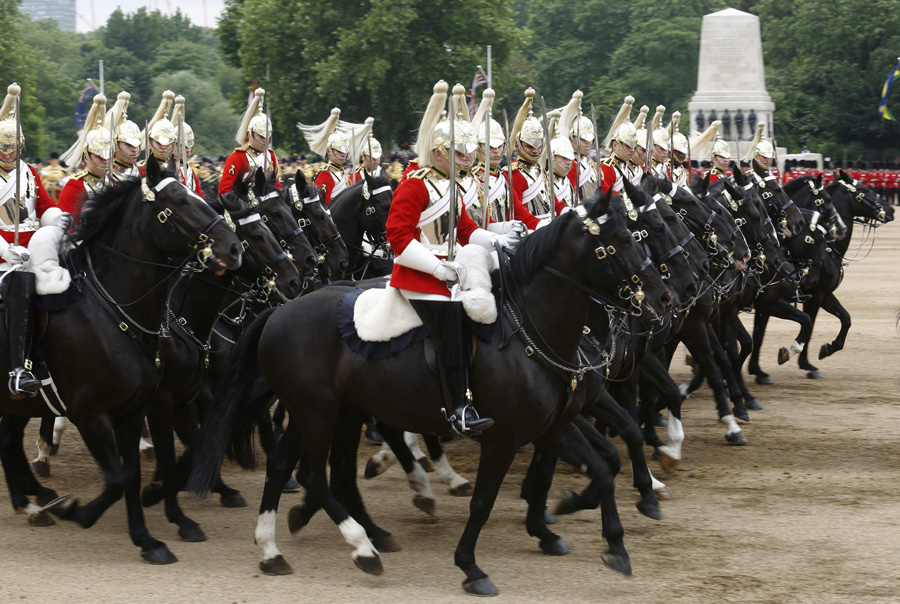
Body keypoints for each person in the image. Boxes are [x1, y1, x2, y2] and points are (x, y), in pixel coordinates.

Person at [386, 80, 520, 436]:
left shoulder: (452, 186)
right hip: (419, 274)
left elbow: (465, 231)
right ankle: (458, 408)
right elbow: (398, 237)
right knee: (451, 326)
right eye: (461, 154)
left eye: (470, 153)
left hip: (452, 270)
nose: (470, 159)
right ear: (440, 152)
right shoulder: (415, 184)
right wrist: (437, 267)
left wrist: (499, 241)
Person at [0, 83, 71, 397]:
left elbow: (43, 206)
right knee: (22, 284)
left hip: (33, 252)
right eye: (2, 148)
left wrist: (58, 219)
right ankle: (19, 369)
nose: (7, 153)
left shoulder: (29, 173)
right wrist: (4, 250)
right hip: (4, 259)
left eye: (12, 148)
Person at [219, 88, 281, 196]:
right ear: (249, 134)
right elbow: (225, 192)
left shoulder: (270, 156)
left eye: (267, 136)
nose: (265, 140)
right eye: (261, 136)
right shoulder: (237, 158)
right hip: (246, 209)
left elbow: (277, 186)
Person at [58, 94, 112, 216]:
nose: (105, 161)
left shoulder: (113, 183)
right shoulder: (74, 186)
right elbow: (68, 227)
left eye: (108, 156)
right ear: (86, 158)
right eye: (99, 156)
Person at [299, 108, 350, 205]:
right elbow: (322, 206)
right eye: (339, 150)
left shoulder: (345, 174)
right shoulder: (325, 174)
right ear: (329, 151)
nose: (343, 154)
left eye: (345, 150)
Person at [558, 90, 597, 202]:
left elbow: (602, 187)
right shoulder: (569, 164)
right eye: (583, 139)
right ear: (572, 139)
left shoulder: (592, 163)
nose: (588, 143)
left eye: (590, 140)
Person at [599, 95, 637, 195]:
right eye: (628, 146)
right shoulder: (607, 167)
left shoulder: (625, 166)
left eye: (633, 146)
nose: (632, 150)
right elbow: (606, 195)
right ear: (615, 145)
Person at [170, 95, 204, 198]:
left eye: (189, 145)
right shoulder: (167, 167)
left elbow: (199, 195)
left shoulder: (189, 169)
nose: (188, 150)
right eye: (184, 146)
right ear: (173, 145)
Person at [137, 90, 177, 176]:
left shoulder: (178, 171)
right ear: (150, 143)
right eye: (158, 142)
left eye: (168, 143)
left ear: (173, 145)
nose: (163, 146)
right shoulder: (138, 170)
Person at [105, 91, 141, 182]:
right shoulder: (104, 175)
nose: (134, 149)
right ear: (115, 144)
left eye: (137, 145)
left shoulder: (143, 172)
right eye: (128, 145)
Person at [345, 117, 386, 183]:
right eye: (371, 157)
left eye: (377, 157)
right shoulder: (356, 175)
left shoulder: (382, 173)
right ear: (363, 157)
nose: (375, 160)